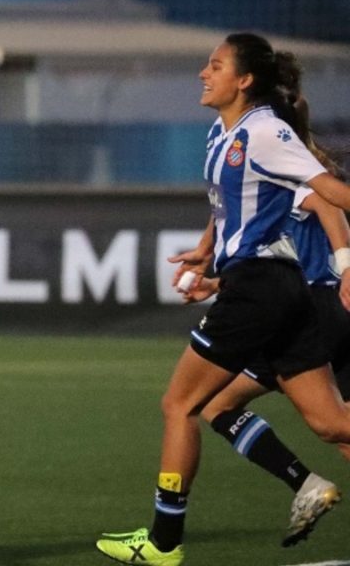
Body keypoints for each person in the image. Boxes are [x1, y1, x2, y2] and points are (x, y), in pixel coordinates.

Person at [96, 33, 350, 566]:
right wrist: (211, 257)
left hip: (265, 288)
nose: (202, 74)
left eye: (214, 65)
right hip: (271, 287)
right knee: (331, 423)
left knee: (180, 405)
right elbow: (228, 205)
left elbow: (331, 193)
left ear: (245, 80)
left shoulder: (264, 130)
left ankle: (163, 544)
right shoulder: (222, 131)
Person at [187, 96, 349, 549]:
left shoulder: (276, 159)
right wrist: (218, 284)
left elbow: (329, 207)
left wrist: (346, 262)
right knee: (339, 429)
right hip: (327, 306)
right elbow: (271, 255)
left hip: (313, 308)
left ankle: (304, 484)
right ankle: (307, 486)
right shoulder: (284, 159)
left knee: (215, 403)